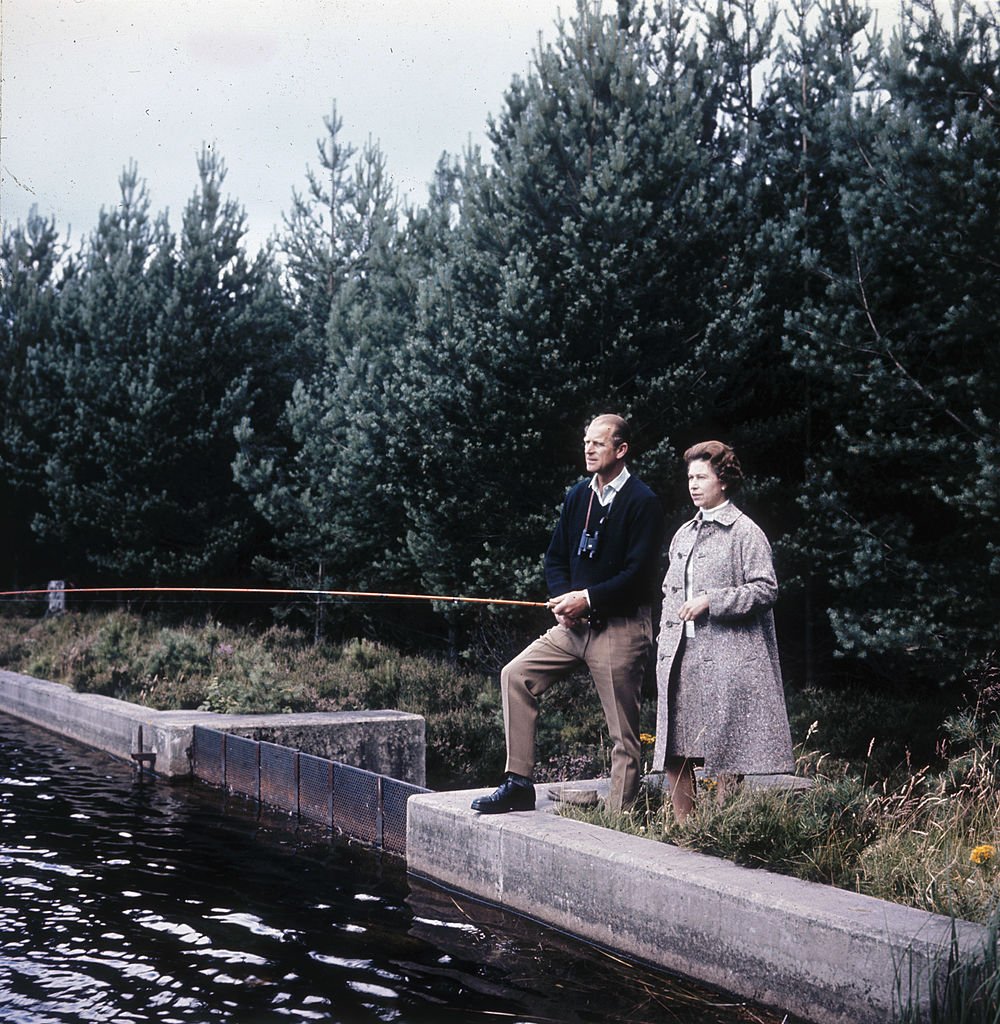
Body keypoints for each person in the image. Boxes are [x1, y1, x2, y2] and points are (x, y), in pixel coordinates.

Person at [471, 413, 664, 815]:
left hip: (621, 626)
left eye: (598, 443)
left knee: (623, 734)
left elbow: (638, 575)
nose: (588, 448)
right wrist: (564, 601)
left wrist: (587, 599)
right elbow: (556, 556)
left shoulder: (643, 501)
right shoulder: (579, 495)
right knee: (515, 675)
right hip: (574, 625)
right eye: (586, 441)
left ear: (621, 450)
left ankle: (620, 818)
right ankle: (518, 783)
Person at [651, 441, 794, 821]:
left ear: (724, 481)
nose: (693, 485)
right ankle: (685, 832)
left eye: (702, 477)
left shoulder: (745, 532)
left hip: (730, 661)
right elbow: (670, 592)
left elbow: (766, 589)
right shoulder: (683, 533)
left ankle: (721, 832)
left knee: (728, 750)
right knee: (674, 749)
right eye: (690, 478)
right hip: (683, 657)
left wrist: (712, 600)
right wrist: (663, 641)